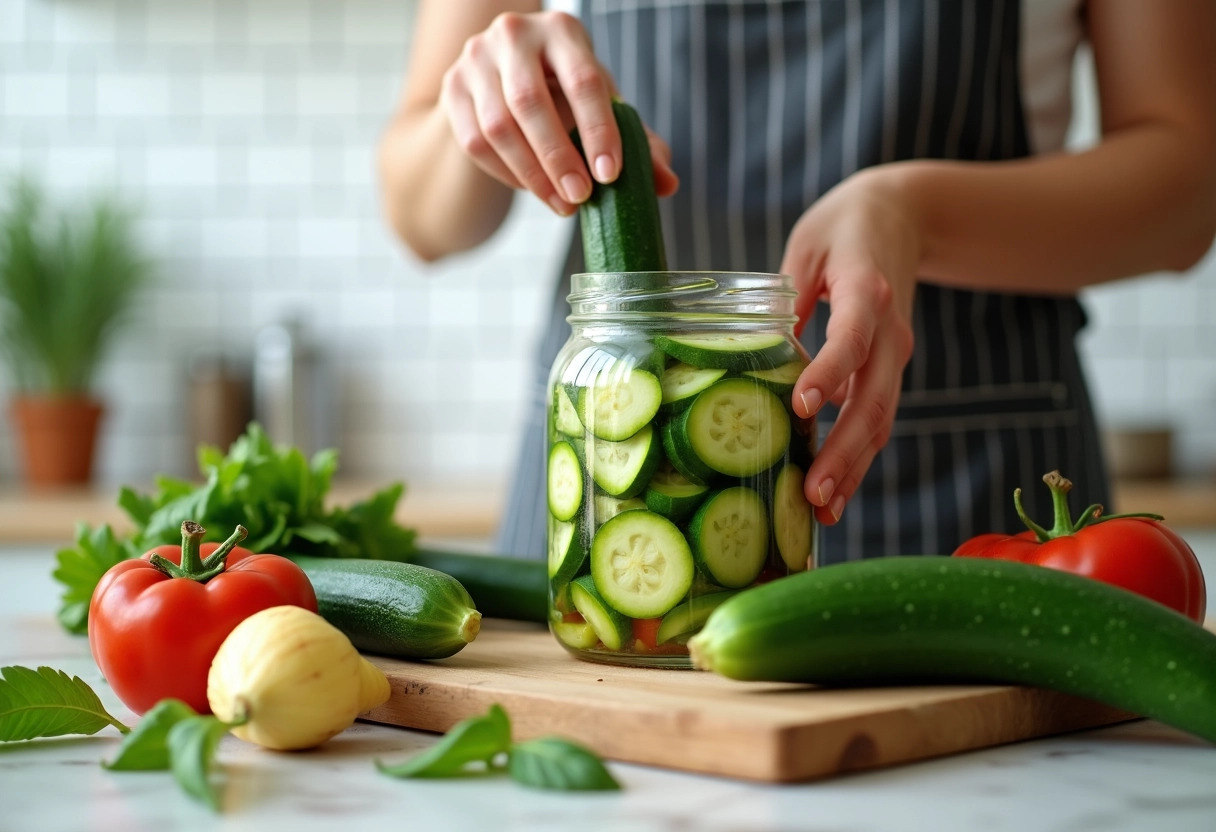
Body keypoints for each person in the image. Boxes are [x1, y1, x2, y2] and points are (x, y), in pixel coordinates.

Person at [378, 1, 1216, 564]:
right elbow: (420, 214)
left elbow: (1190, 188)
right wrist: (489, 105)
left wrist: (914, 212)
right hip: (616, 489)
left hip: (980, 495)